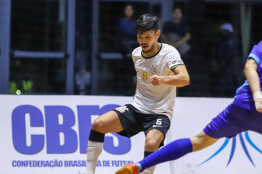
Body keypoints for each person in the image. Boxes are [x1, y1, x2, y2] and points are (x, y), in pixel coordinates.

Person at [115, 41, 262, 174]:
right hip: (253, 106)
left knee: (197, 141)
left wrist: (257, 96)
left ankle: (139, 165)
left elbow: (249, 67)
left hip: (242, 105)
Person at [86, 14, 190, 174]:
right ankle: (88, 172)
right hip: (136, 108)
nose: (143, 41)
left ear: (157, 34)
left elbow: (184, 79)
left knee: (151, 143)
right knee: (98, 124)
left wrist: (163, 79)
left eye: (148, 37)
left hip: (159, 113)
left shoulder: (169, 53)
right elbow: (141, 81)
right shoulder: (136, 54)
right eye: (140, 36)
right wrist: (136, 101)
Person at [217, 23, 238, 96]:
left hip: (228, 65)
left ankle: (230, 96)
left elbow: (230, 53)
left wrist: (224, 61)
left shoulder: (229, 41)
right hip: (226, 65)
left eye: (223, 31)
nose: (222, 33)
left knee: (228, 81)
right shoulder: (225, 40)